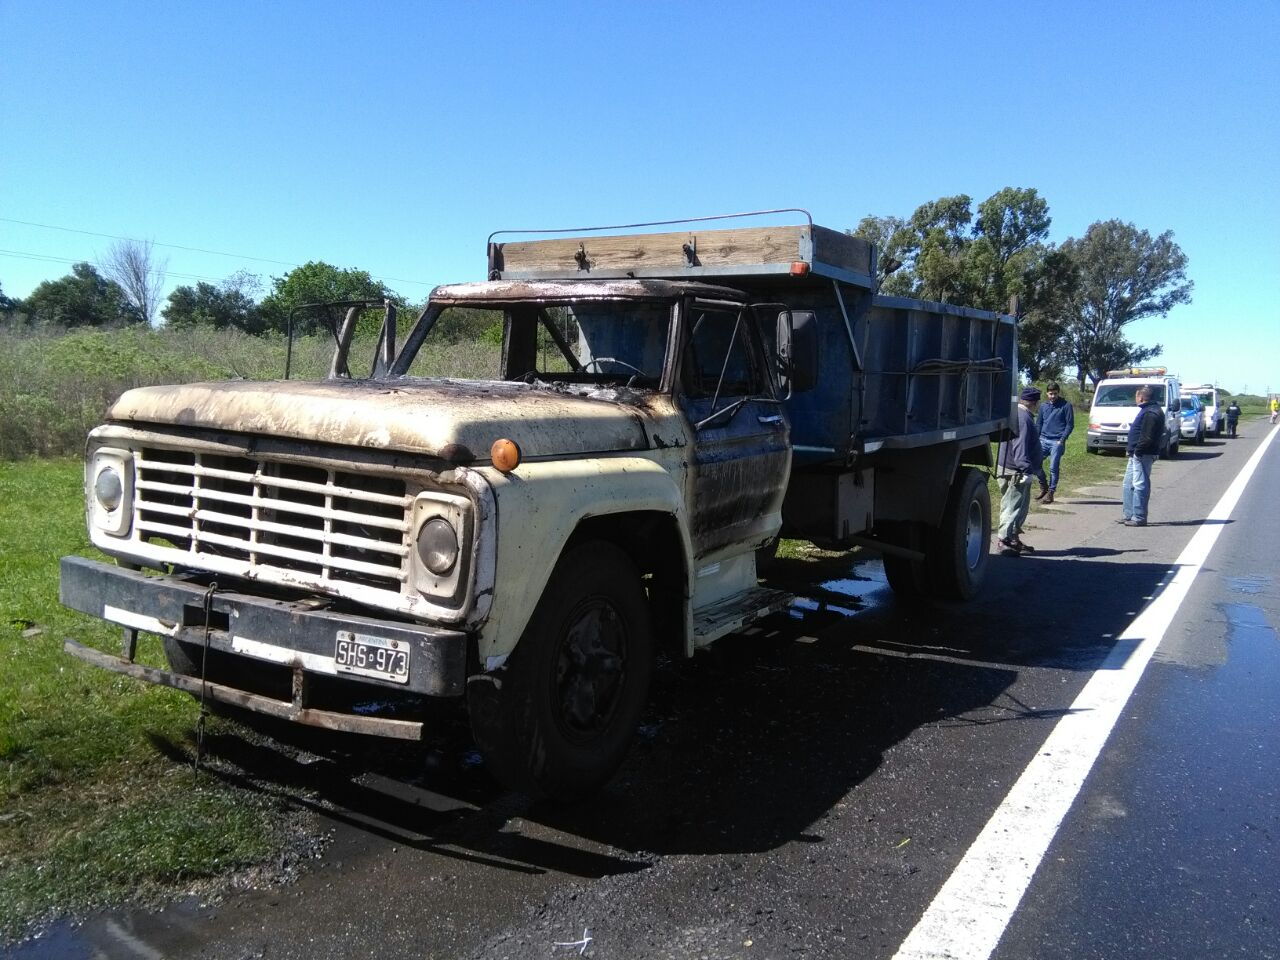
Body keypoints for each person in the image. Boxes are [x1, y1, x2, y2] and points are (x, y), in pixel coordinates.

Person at [996, 387, 1041, 554]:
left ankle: (1013, 539)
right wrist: (1026, 470)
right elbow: (1020, 446)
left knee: (1018, 507)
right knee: (1012, 507)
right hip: (1016, 470)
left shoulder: (1015, 413)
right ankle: (1003, 540)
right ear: (1034, 403)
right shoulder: (1024, 418)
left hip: (1011, 467)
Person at [1120, 385, 1163, 527]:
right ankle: (1128, 514)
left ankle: (1139, 516)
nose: (1135, 399)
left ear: (1141, 397)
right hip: (1136, 454)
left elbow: (1147, 437)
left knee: (1140, 484)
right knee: (1128, 484)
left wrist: (1138, 451)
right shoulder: (1147, 410)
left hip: (1143, 454)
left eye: (1136, 396)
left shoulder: (1151, 412)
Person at [1033, 381, 1074, 504]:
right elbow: (1039, 424)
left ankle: (1051, 493)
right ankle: (1044, 487)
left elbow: (1070, 425)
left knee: (1053, 467)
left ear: (1058, 393)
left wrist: (1062, 440)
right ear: (1047, 393)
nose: (1053, 396)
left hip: (1057, 441)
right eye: (1051, 394)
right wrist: (1036, 439)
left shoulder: (1066, 405)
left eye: (1055, 394)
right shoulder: (1043, 406)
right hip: (1043, 440)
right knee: (1035, 464)